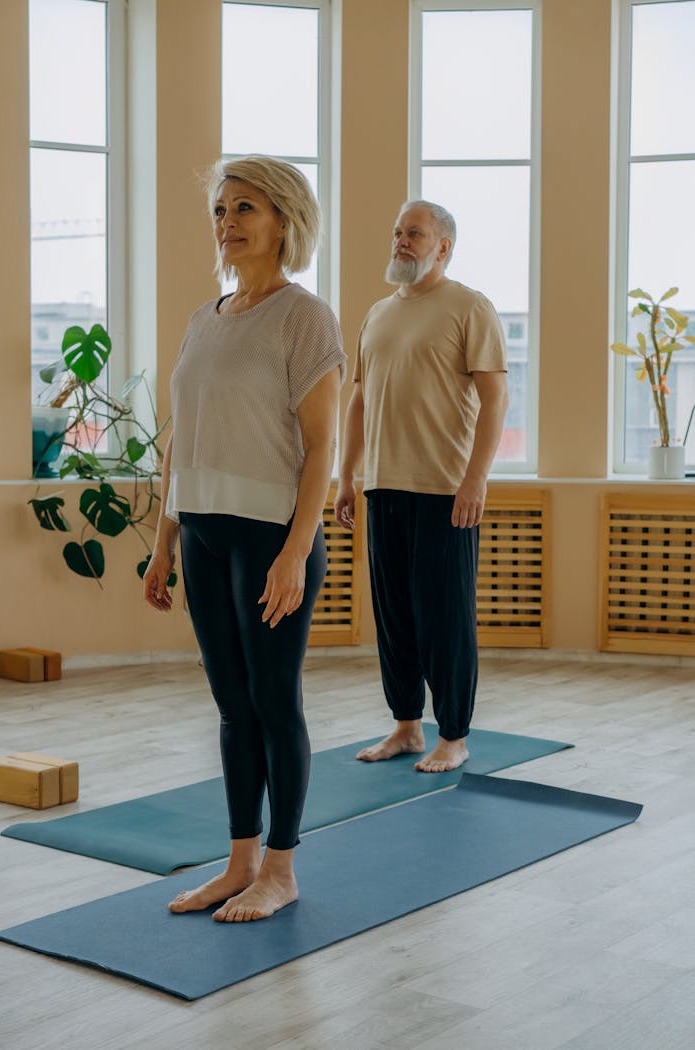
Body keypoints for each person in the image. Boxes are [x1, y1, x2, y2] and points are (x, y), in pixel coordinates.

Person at [143, 155, 346, 922]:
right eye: (222, 210)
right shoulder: (206, 317)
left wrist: (296, 551)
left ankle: (283, 870)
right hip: (202, 533)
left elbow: (320, 447)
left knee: (273, 700)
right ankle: (239, 863)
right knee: (232, 708)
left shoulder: (305, 316)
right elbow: (180, 441)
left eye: (245, 208)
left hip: (270, 540)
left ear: (284, 221)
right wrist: (164, 543)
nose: (228, 223)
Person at [334, 199, 508, 773]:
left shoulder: (468, 308)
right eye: (397, 232)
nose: (401, 241)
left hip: (444, 489)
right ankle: (407, 728)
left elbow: (494, 397)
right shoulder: (378, 313)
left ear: (443, 246)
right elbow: (358, 401)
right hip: (383, 487)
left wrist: (475, 479)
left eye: (414, 233)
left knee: (445, 619)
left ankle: (453, 736)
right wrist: (345, 476)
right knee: (395, 617)